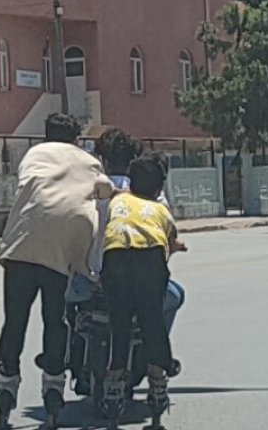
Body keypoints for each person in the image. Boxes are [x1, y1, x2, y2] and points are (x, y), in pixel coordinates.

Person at [0, 113, 113, 423]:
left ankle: (6, 382)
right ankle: (54, 386)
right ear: (76, 139)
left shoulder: (34, 154)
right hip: (63, 245)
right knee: (55, 319)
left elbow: (28, 183)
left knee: (15, 319)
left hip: (22, 242)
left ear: (46, 136)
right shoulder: (90, 162)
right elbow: (105, 193)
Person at [67, 129, 184, 394]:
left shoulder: (90, 189)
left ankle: (67, 355)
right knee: (172, 299)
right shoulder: (152, 196)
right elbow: (167, 239)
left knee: (64, 298)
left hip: (94, 279)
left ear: (102, 160)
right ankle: (154, 358)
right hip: (143, 276)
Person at [100, 152, 177, 417]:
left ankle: (113, 382)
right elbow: (171, 240)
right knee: (151, 322)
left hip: (116, 257)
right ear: (158, 188)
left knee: (118, 324)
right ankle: (157, 381)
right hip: (149, 259)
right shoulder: (160, 209)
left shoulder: (119, 200)